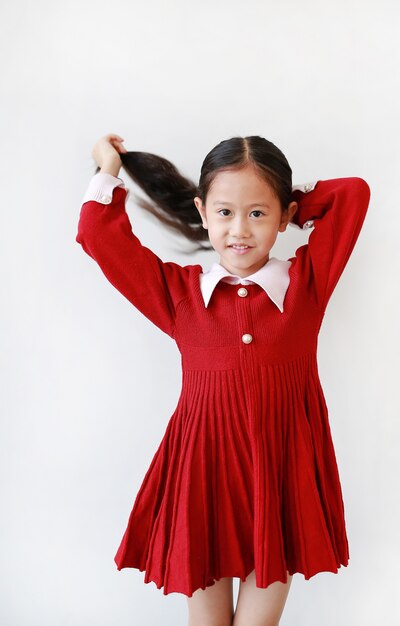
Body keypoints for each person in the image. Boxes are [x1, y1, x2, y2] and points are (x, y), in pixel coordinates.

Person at [75, 132, 371, 626]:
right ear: (203, 211)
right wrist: (108, 170)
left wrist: (293, 204)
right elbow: (98, 236)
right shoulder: (180, 296)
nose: (240, 229)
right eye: (225, 212)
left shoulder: (306, 287)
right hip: (203, 479)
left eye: (258, 213)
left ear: (281, 216)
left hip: (280, 479)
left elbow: (352, 194)